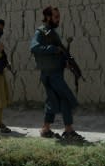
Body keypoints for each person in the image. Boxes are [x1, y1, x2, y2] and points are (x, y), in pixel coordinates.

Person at [30, 7, 84, 142]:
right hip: (50, 75)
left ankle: (46, 129)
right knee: (66, 98)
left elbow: (57, 54)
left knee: (52, 100)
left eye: (58, 17)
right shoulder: (41, 32)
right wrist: (54, 49)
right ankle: (68, 130)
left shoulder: (51, 32)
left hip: (55, 73)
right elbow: (34, 47)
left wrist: (64, 62)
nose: (58, 19)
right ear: (48, 17)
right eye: (55, 17)